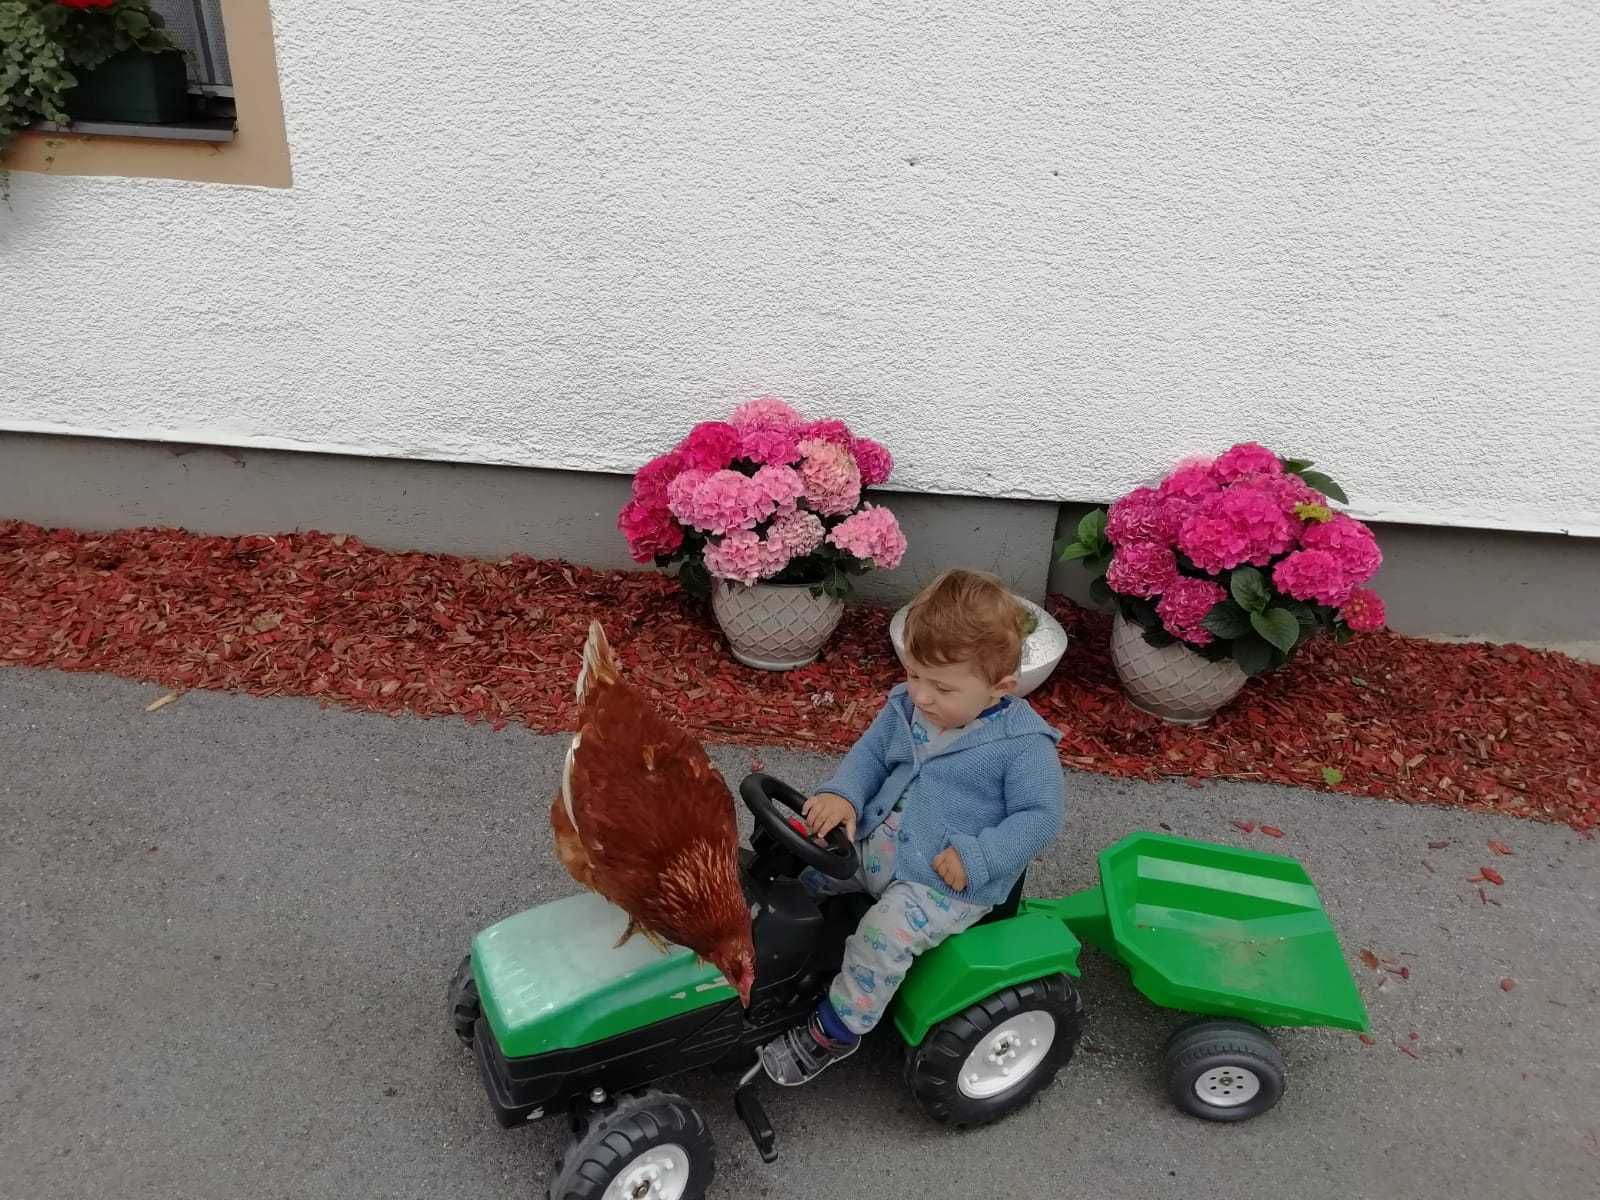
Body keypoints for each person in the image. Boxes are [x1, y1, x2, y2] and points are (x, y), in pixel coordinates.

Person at [759, 568, 1066, 1085]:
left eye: (941, 687)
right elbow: (871, 756)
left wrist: (979, 857)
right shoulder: (906, 708)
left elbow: (1040, 818)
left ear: (1001, 687)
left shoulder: (1024, 747)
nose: (921, 695)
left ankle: (836, 1028)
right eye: (914, 675)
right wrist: (843, 794)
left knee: (881, 937)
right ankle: (785, 970)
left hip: (943, 880)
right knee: (799, 879)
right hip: (876, 845)